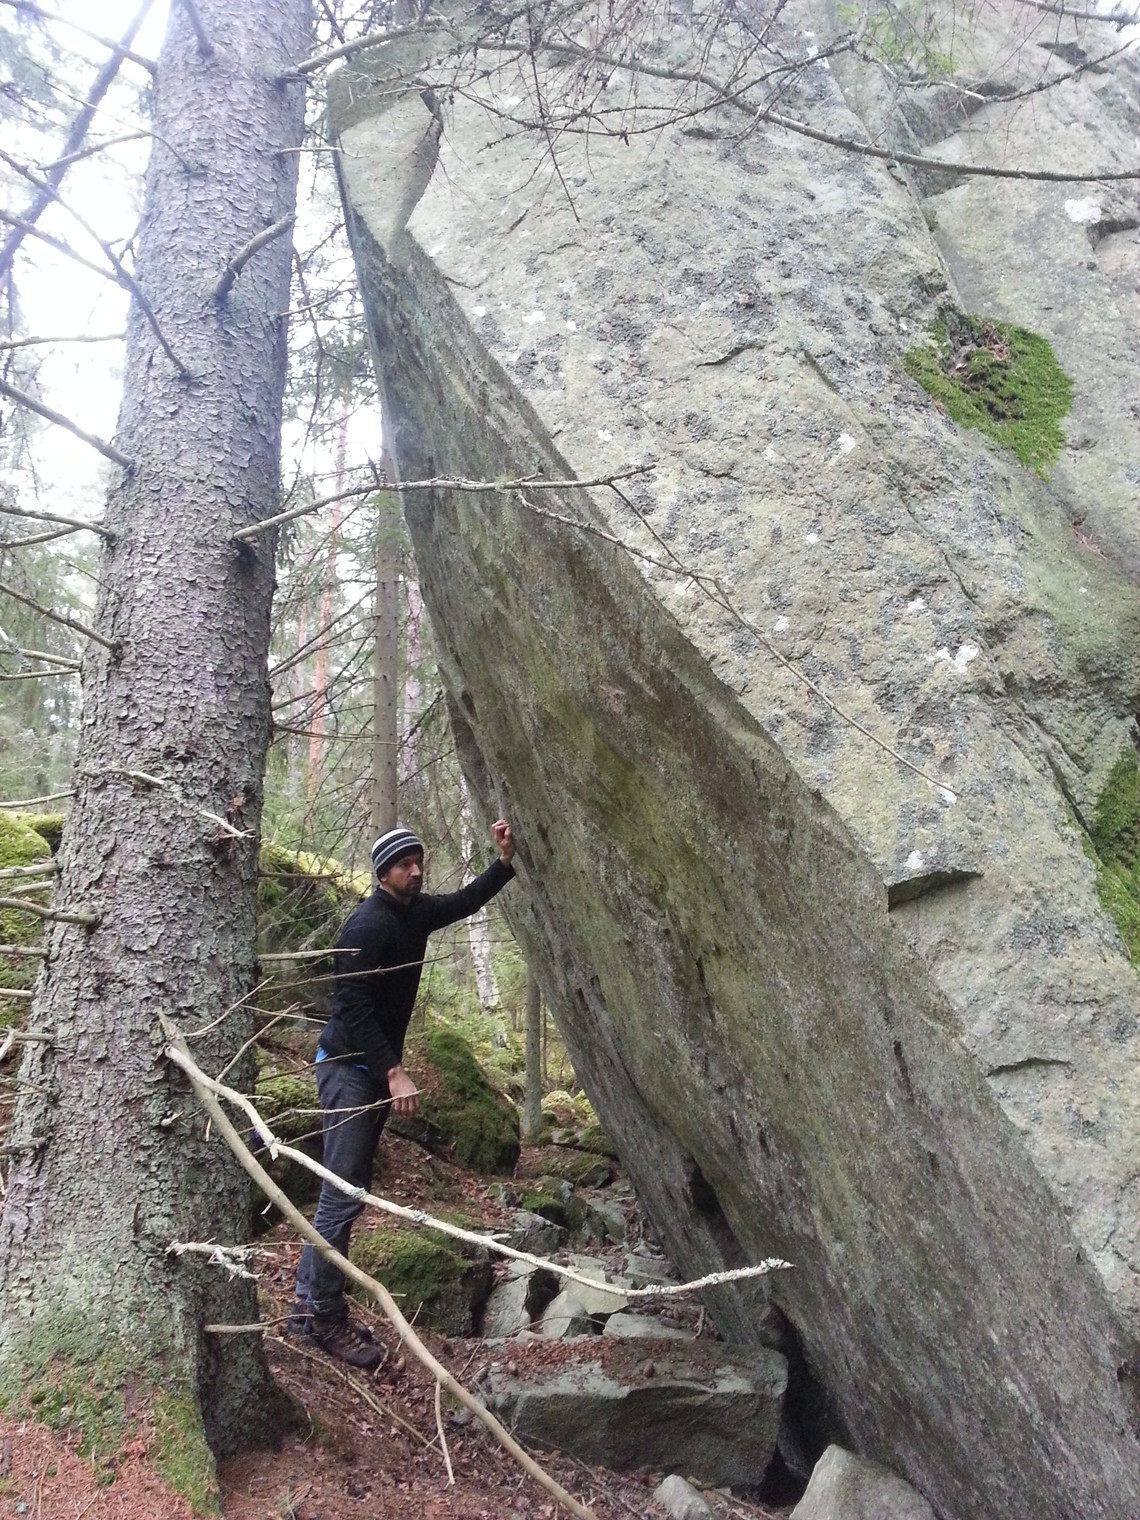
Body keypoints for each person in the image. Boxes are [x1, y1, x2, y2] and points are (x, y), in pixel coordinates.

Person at [289, 819, 517, 1368]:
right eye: (403, 864)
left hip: (368, 1071)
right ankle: (321, 1315)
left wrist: (505, 863)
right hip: (347, 1069)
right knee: (342, 1192)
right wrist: (393, 1071)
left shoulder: (414, 912)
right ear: (382, 873)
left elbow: (464, 901)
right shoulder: (367, 926)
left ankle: (308, 1306)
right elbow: (353, 1008)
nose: (415, 871)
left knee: (347, 1190)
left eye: (418, 862)